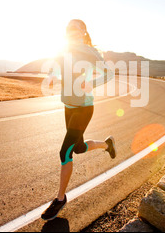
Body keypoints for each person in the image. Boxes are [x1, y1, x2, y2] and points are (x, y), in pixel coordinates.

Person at [41, 19, 116, 221]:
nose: (72, 32)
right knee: (79, 148)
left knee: (64, 151)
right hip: (68, 106)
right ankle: (107, 144)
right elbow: (55, 68)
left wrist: (92, 82)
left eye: (76, 29)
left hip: (84, 107)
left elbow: (109, 74)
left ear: (83, 32)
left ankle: (60, 199)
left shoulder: (90, 52)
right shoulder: (63, 50)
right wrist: (50, 77)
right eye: (69, 29)